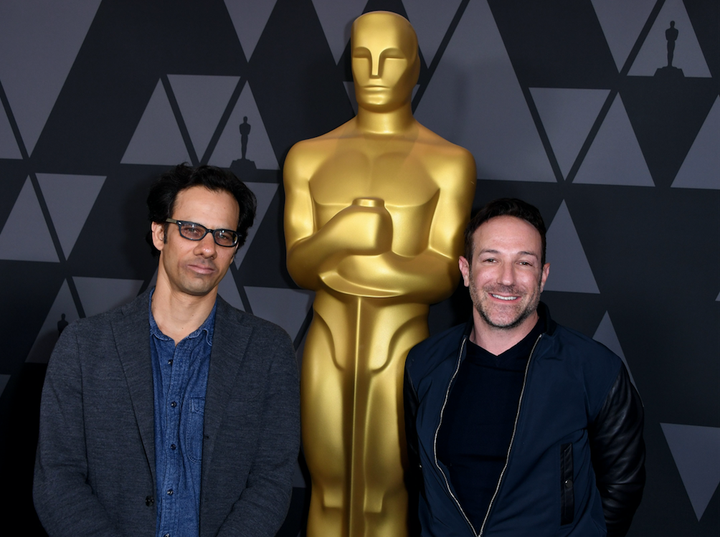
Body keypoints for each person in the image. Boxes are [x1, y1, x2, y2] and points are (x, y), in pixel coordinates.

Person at [283, 11, 475, 537]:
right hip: (329, 337)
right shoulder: (308, 157)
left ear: (414, 67)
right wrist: (341, 235)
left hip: (404, 342)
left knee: (387, 492)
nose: (373, 70)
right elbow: (299, 264)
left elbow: (442, 274)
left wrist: (381, 261)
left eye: (390, 58)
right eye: (362, 57)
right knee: (326, 487)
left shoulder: (448, 162)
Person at [34, 164, 300, 537]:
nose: (207, 248)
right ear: (159, 233)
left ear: (234, 248)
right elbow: (58, 479)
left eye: (224, 235)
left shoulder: (269, 351)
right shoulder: (83, 346)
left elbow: (272, 480)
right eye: (191, 229)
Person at [404, 198, 645, 537]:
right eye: (491, 259)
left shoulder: (595, 369)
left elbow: (622, 486)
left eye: (524, 263)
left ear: (543, 275)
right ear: (465, 270)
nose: (506, 279)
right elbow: (419, 475)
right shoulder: (423, 363)